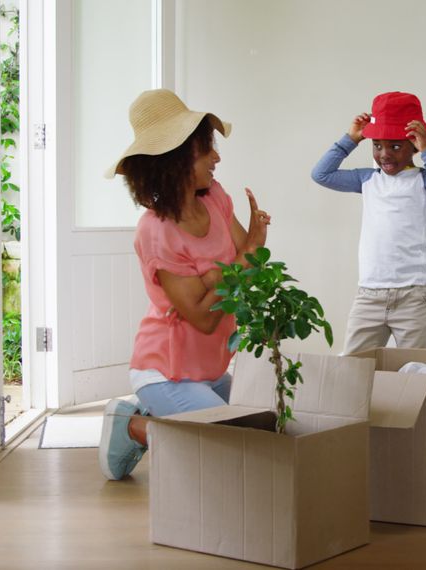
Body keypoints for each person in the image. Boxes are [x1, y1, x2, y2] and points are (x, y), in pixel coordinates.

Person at [96, 89, 271, 480]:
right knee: (233, 446)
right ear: (174, 160)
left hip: (210, 367)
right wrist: (242, 258)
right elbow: (204, 317)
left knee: (269, 427)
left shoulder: (214, 199)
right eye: (206, 149)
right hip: (166, 372)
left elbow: (252, 265)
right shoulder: (155, 231)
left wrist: (223, 273)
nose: (218, 158)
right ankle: (134, 426)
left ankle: (153, 423)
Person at [311, 91, 426, 355]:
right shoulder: (368, 179)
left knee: (416, 372)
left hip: (413, 297)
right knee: (353, 370)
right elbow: (321, 174)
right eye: (377, 145)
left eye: (395, 146)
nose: (384, 154)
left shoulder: (424, 181)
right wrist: (350, 139)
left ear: (413, 144)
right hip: (369, 295)